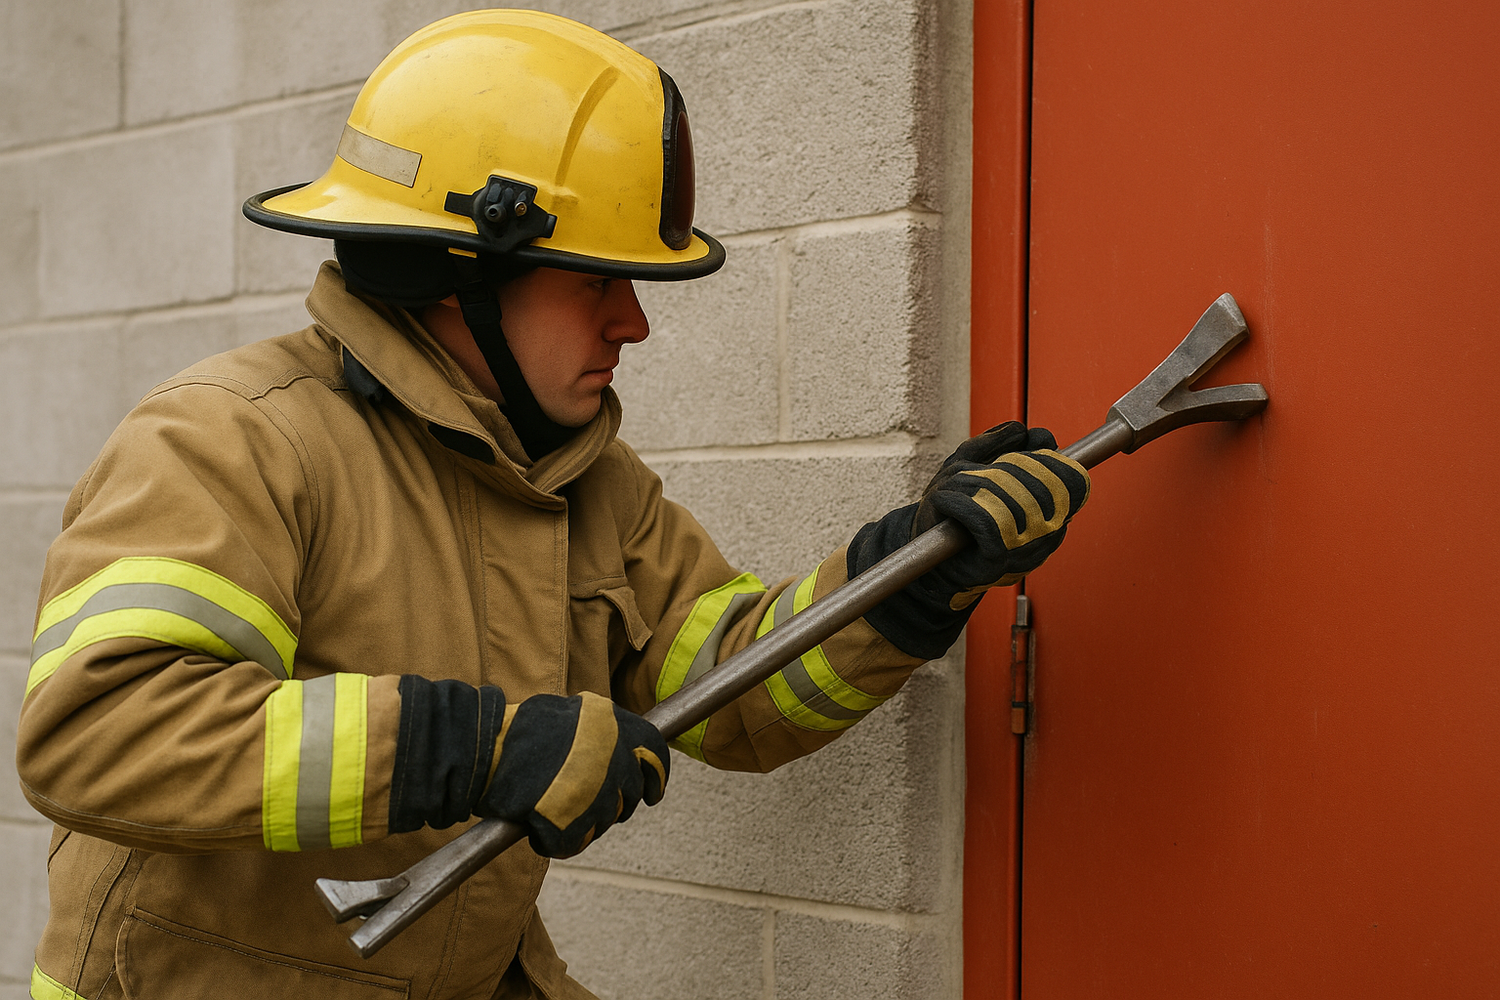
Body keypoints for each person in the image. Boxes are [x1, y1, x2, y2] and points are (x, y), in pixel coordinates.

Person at [14, 10, 1089, 1000]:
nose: (635, 324)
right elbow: (102, 728)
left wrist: (909, 578)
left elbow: (731, 691)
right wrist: (468, 746)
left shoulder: (581, 482)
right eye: (595, 283)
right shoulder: (232, 438)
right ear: (451, 270)